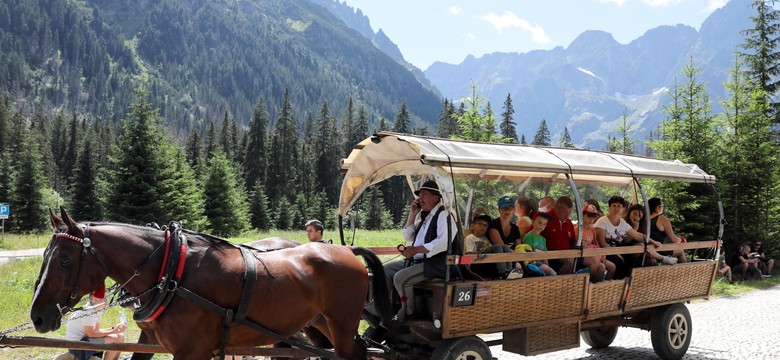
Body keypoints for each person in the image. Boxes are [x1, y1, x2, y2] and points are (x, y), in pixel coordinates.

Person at [382, 180, 457, 322]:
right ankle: (386, 307)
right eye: (419, 196)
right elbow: (408, 235)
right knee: (384, 271)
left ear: (435, 197)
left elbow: (443, 243)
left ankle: (408, 313)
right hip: (417, 261)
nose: (420, 199)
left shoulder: (444, 215)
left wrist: (416, 249)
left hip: (436, 264)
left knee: (400, 278)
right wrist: (412, 214)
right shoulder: (425, 217)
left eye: (424, 195)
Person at [595, 196, 676, 279]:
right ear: (609, 207)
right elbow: (602, 242)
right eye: (614, 206)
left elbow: (637, 235)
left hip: (620, 249)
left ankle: (632, 284)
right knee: (620, 262)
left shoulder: (622, 222)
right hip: (606, 251)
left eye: (619, 206)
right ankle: (617, 284)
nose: (616, 208)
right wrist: (616, 253)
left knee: (636, 262)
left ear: (622, 208)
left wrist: (652, 241)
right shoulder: (603, 221)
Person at [64, 285, 126, 360]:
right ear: (96, 299)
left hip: (85, 340)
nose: (107, 303)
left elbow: (96, 331)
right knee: (115, 339)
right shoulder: (88, 312)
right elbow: (91, 334)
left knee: (120, 336)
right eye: (105, 299)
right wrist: (113, 331)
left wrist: (114, 329)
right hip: (76, 346)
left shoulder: (97, 310)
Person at [466, 212, 523, 279]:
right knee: (497, 247)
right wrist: (483, 252)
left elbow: (490, 249)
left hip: (486, 261)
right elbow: (468, 254)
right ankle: (503, 272)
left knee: (505, 247)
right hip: (476, 262)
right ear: (473, 226)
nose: (483, 227)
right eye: (480, 224)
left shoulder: (485, 239)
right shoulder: (470, 238)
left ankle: (509, 271)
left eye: (485, 225)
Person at [540, 196, 576, 273]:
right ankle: (562, 281)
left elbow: (573, 241)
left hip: (566, 254)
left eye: (569, 213)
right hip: (550, 256)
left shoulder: (569, 223)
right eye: (564, 212)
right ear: (556, 208)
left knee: (593, 260)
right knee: (571, 259)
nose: (567, 216)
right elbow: (532, 234)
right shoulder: (544, 219)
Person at [579, 203, 614, 282]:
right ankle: (588, 284)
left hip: (594, 254)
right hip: (583, 256)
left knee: (611, 267)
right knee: (598, 263)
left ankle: (600, 288)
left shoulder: (592, 230)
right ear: (582, 215)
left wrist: (602, 253)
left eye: (594, 216)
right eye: (589, 215)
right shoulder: (577, 229)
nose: (591, 218)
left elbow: (596, 244)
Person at [647, 198, 687, 264]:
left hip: (648, 250)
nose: (663, 207)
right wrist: (681, 240)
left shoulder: (644, 219)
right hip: (659, 249)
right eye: (662, 205)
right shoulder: (662, 218)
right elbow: (673, 239)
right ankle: (685, 272)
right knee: (680, 251)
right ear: (658, 207)